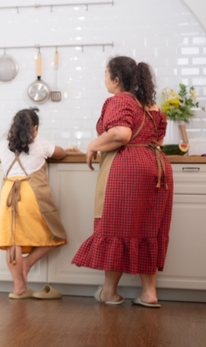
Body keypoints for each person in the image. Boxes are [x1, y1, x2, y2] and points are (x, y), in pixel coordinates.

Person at [72, 56, 173, 308]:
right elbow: (158, 141)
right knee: (149, 228)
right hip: (157, 168)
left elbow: (122, 133)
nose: (104, 79)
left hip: (128, 169)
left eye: (105, 74)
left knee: (116, 227)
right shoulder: (152, 106)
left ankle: (109, 292)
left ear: (116, 79)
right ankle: (149, 294)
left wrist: (93, 145)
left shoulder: (119, 100)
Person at [0, 108, 68, 299]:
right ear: (34, 128)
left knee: (13, 241)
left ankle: (18, 287)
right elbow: (61, 153)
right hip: (31, 194)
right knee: (56, 234)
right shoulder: (40, 143)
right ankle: (27, 263)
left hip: (8, 194)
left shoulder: (2, 145)